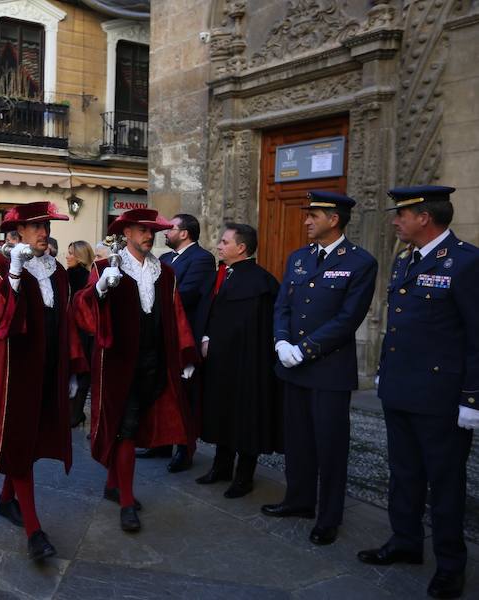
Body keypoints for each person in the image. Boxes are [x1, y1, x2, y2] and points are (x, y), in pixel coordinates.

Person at [357, 186, 478, 600]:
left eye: (402, 214)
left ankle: (450, 564)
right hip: (402, 390)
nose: (395, 220)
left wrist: (472, 398)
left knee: (445, 484)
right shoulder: (407, 259)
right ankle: (405, 541)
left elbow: (477, 337)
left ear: (424, 217)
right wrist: (386, 375)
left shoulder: (466, 263)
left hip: (441, 397)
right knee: (403, 474)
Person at [261, 191, 377, 546]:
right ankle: (298, 500)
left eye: (314, 215)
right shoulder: (298, 258)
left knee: (330, 447)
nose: (307, 221)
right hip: (292, 367)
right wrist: (281, 342)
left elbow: (347, 319)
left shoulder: (360, 262)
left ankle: (328, 516)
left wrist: (304, 349)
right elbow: (283, 306)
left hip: (328, 371)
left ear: (334, 219)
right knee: (297, 441)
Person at [73, 208, 198, 533]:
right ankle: (126, 501)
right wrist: (100, 289)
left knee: (135, 425)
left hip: (155, 362)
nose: (148, 235)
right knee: (126, 430)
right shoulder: (105, 268)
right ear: (126, 233)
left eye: (151, 230)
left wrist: (185, 355)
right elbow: (82, 311)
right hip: (118, 365)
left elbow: (177, 315)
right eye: (141, 229)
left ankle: (114, 485)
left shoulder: (165, 273)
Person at [0, 201, 84, 561]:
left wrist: (71, 366)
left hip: (49, 366)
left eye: (47, 227)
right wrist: (16, 272)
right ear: (17, 231)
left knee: (35, 437)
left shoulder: (58, 271)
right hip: (16, 368)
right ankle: (34, 530)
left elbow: (66, 319)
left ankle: (7, 499)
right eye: (36, 227)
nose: (43, 233)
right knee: (21, 439)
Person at [195, 223, 281, 498]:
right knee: (222, 413)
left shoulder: (260, 282)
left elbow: (250, 328)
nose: (218, 246)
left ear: (241, 248)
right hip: (221, 363)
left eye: (224, 241)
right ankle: (221, 467)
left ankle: (244, 477)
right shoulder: (223, 274)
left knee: (245, 418)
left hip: (248, 366)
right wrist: (206, 337)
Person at [142, 213, 217, 471]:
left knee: (185, 396)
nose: (165, 232)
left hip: (184, 336)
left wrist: (147, 296)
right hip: (160, 335)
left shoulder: (202, 259)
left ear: (184, 233)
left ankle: (184, 450)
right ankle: (161, 443)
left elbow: (186, 294)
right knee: (160, 390)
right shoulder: (163, 259)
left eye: (170, 228)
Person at [66, 240, 95, 427]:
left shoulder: (77, 276)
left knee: (78, 371)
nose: (67, 256)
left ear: (80, 256)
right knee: (79, 372)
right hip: (79, 329)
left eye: (71, 253)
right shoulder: (86, 275)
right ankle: (74, 413)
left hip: (79, 330)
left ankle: (74, 414)